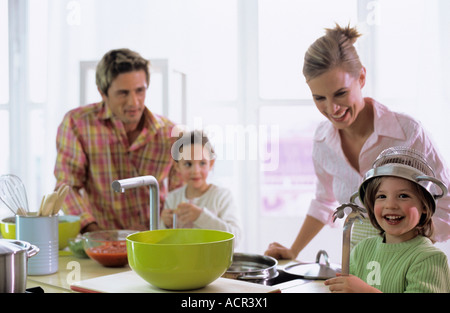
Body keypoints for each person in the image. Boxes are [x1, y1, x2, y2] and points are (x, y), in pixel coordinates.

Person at [265, 24, 450, 260]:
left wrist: (406, 238)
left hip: (407, 264)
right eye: (319, 98)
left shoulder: (407, 132)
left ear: (361, 77)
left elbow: (447, 203)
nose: (332, 108)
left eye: (340, 93)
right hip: (356, 266)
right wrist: (293, 250)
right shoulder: (323, 140)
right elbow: (324, 201)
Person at [54, 48, 181, 233]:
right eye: (123, 93)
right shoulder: (77, 124)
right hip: (102, 243)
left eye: (140, 91)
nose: (134, 102)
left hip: (155, 242)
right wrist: (94, 232)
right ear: (102, 92)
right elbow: (66, 187)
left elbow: (181, 195)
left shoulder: (170, 133)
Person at [325, 147, 450, 293]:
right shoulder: (362, 250)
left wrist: (365, 291)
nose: (390, 205)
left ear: (424, 206)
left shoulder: (428, 258)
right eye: (381, 196)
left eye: (403, 196)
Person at [160, 130, 241, 244]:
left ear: (211, 164)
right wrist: (164, 224)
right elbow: (162, 242)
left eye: (202, 163)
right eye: (188, 164)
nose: (196, 171)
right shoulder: (173, 199)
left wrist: (200, 216)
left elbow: (235, 238)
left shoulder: (222, 196)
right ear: (177, 166)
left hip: (215, 260)